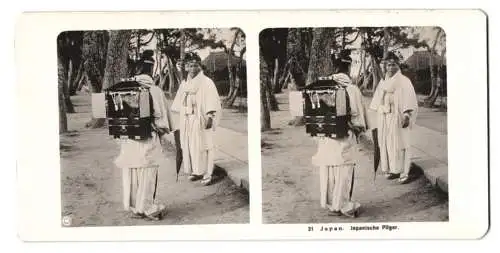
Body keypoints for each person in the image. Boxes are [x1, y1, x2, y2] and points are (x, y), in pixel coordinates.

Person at [114, 51, 173, 220]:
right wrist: (161, 131)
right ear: (151, 70)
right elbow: (161, 119)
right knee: (147, 172)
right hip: (147, 137)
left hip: (129, 138)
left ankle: (134, 207)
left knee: (131, 171)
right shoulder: (154, 90)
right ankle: (148, 207)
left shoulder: (123, 88)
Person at [311, 50, 367, 218]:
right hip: (344, 134)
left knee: (327, 168)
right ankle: (343, 205)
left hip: (325, 135)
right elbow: (357, 114)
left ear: (335, 67)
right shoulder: (351, 89)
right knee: (344, 169)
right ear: (348, 68)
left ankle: (329, 204)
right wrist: (359, 129)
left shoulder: (322, 86)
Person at [171, 54, 222, 186]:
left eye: (195, 65)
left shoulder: (206, 82)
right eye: (190, 65)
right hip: (187, 119)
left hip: (201, 118)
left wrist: (210, 117)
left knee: (206, 145)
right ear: (186, 67)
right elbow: (178, 104)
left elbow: (212, 99)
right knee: (190, 145)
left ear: (200, 66)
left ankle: (208, 173)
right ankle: (196, 170)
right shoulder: (185, 83)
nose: (192, 68)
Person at [369, 52, 418, 184]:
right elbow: (376, 102)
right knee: (388, 144)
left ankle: (404, 171)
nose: (390, 68)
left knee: (402, 144)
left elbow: (410, 99)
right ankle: (394, 169)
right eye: (388, 65)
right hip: (385, 118)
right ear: (385, 66)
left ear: (398, 65)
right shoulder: (383, 82)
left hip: (398, 117)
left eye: (393, 65)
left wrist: (407, 115)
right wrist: (381, 110)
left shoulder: (404, 81)